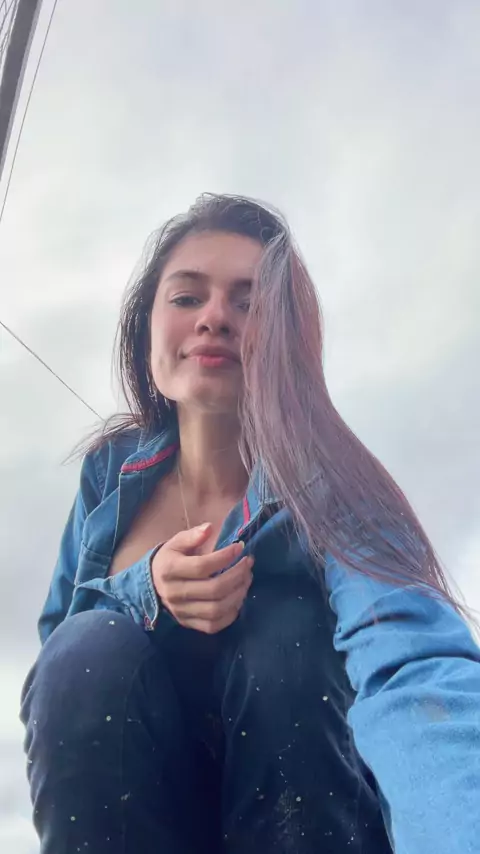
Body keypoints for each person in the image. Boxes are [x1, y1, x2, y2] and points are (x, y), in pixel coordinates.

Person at [21, 194, 480, 854]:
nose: (214, 318)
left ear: (289, 338)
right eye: (187, 297)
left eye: (249, 303)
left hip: (306, 815)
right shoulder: (108, 474)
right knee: (87, 647)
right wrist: (145, 588)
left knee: (281, 627)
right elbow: (59, 658)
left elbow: (412, 665)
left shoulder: (334, 478)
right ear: (147, 327)